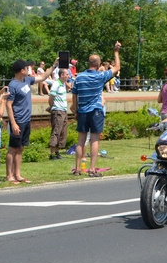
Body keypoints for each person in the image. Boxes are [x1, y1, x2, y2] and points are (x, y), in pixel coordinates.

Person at [71, 43, 120, 177]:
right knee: (94, 140)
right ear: (98, 65)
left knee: (81, 140)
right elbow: (117, 68)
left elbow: (74, 94)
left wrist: (75, 110)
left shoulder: (79, 77)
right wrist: (116, 52)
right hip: (96, 111)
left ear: (88, 63)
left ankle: (77, 168)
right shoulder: (100, 76)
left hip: (82, 111)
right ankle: (92, 169)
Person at [6, 57, 57, 183]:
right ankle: (9, 175)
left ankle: (17, 174)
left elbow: (43, 77)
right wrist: (13, 123)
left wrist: (54, 66)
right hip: (17, 120)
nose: (28, 69)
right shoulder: (13, 85)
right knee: (13, 148)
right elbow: (8, 105)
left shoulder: (27, 80)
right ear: (21, 70)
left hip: (26, 120)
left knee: (21, 148)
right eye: (26, 68)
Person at [47, 68, 71, 160]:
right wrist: (52, 107)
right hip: (58, 111)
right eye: (67, 74)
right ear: (62, 75)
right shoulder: (56, 84)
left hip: (63, 110)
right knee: (56, 131)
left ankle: (57, 152)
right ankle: (52, 153)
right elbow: (51, 97)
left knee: (62, 131)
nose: (68, 76)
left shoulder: (63, 84)